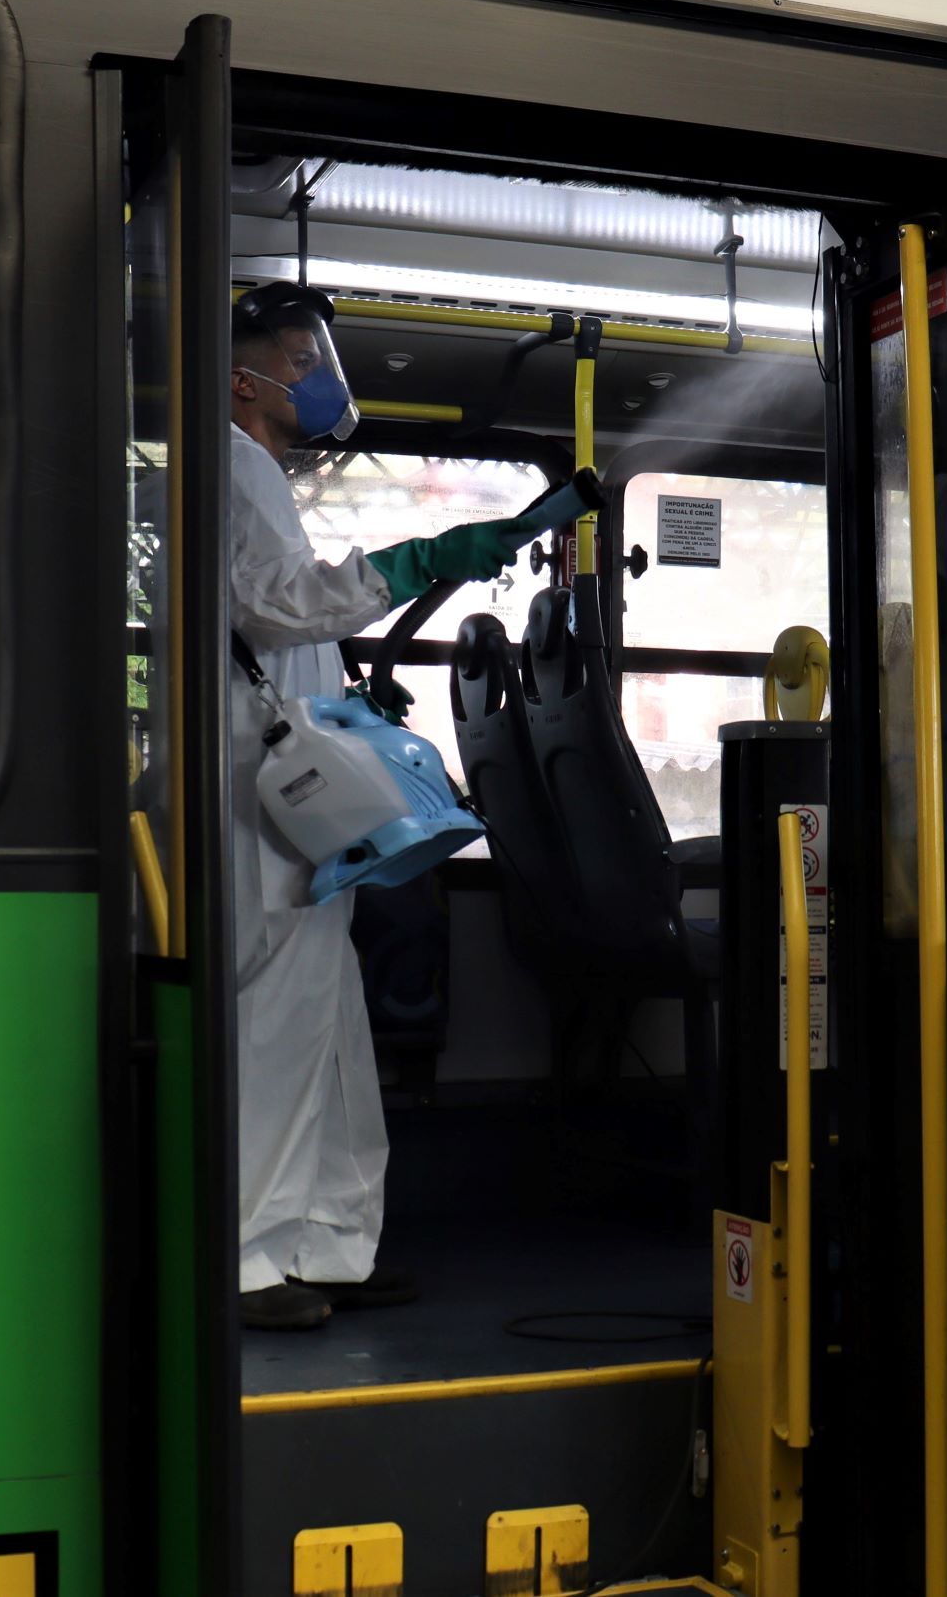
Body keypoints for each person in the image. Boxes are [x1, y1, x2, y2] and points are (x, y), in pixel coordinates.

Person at [224, 281, 525, 1331]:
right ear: (240, 377)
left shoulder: (257, 472)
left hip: (303, 812)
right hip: (259, 819)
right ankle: (249, 1264)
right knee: (270, 1033)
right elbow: (275, 603)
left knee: (328, 1036)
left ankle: (329, 1243)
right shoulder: (228, 464)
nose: (318, 385)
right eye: (299, 365)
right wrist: (425, 558)